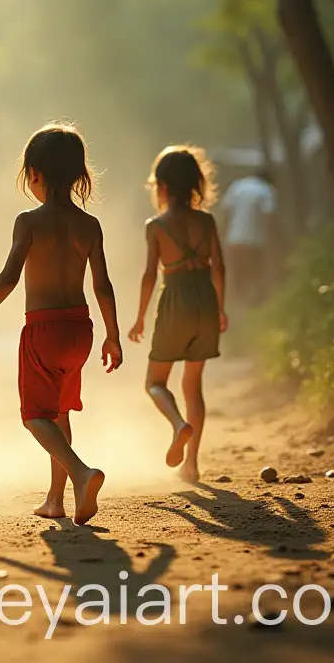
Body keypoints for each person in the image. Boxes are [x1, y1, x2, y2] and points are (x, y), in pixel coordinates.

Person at [0, 123, 122, 526]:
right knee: (60, 410)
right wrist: (113, 336)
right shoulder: (89, 225)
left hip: (44, 330)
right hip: (81, 329)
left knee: (34, 415)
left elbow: (8, 278)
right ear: (79, 174)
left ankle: (82, 474)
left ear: (34, 174)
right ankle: (55, 498)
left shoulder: (29, 222)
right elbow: (103, 285)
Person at [129, 146, 226, 484]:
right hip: (204, 302)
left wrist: (140, 317)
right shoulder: (207, 221)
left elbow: (149, 275)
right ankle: (192, 465)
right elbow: (219, 269)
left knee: (155, 382)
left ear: (163, 187)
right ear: (195, 185)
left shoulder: (156, 226)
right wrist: (221, 309)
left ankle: (177, 424)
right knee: (193, 386)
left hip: (174, 302)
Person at [219, 168, 277, 308]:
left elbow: (226, 214)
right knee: (254, 276)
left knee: (238, 277)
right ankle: (254, 309)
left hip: (234, 240)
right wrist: (273, 241)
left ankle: (236, 310)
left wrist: (223, 237)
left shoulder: (237, 186)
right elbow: (269, 218)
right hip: (254, 242)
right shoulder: (266, 190)